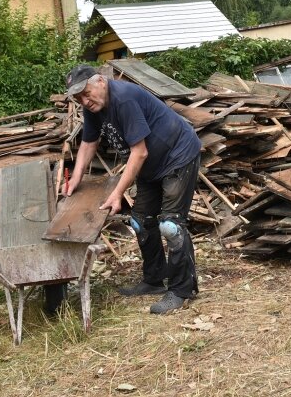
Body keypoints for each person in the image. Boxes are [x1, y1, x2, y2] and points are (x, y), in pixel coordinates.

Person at [64, 64, 201, 314]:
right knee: (141, 222)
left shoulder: (124, 99)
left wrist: (117, 193)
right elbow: (87, 143)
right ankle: (154, 280)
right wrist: (74, 179)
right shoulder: (92, 107)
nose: (84, 100)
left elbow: (140, 152)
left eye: (86, 93)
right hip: (151, 165)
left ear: (101, 82)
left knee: (171, 226)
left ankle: (182, 290)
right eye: (78, 98)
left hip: (178, 156)